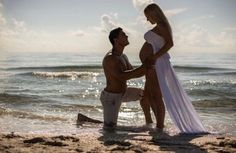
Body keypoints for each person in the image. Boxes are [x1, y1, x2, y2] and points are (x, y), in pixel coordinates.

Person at [140, 3, 207, 134]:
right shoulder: (158, 26)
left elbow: (170, 43)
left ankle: (159, 127)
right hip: (152, 64)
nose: (147, 20)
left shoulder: (163, 26)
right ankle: (151, 123)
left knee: (156, 95)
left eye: (147, 16)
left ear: (154, 13)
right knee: (147, 96)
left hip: (157, 64)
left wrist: (154, 57)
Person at [100, 27, 153, 131]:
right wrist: (144, 67)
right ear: (116, 40)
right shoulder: (110, 58)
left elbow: (133, 73)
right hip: (111, 98)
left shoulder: (123, 56)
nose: (127, 36)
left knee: (144, 95)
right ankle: (86, 122)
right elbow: (123, 76)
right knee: (110, 128)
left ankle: (149, 124)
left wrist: (149, 67)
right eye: (123, 35)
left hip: (123, 93)